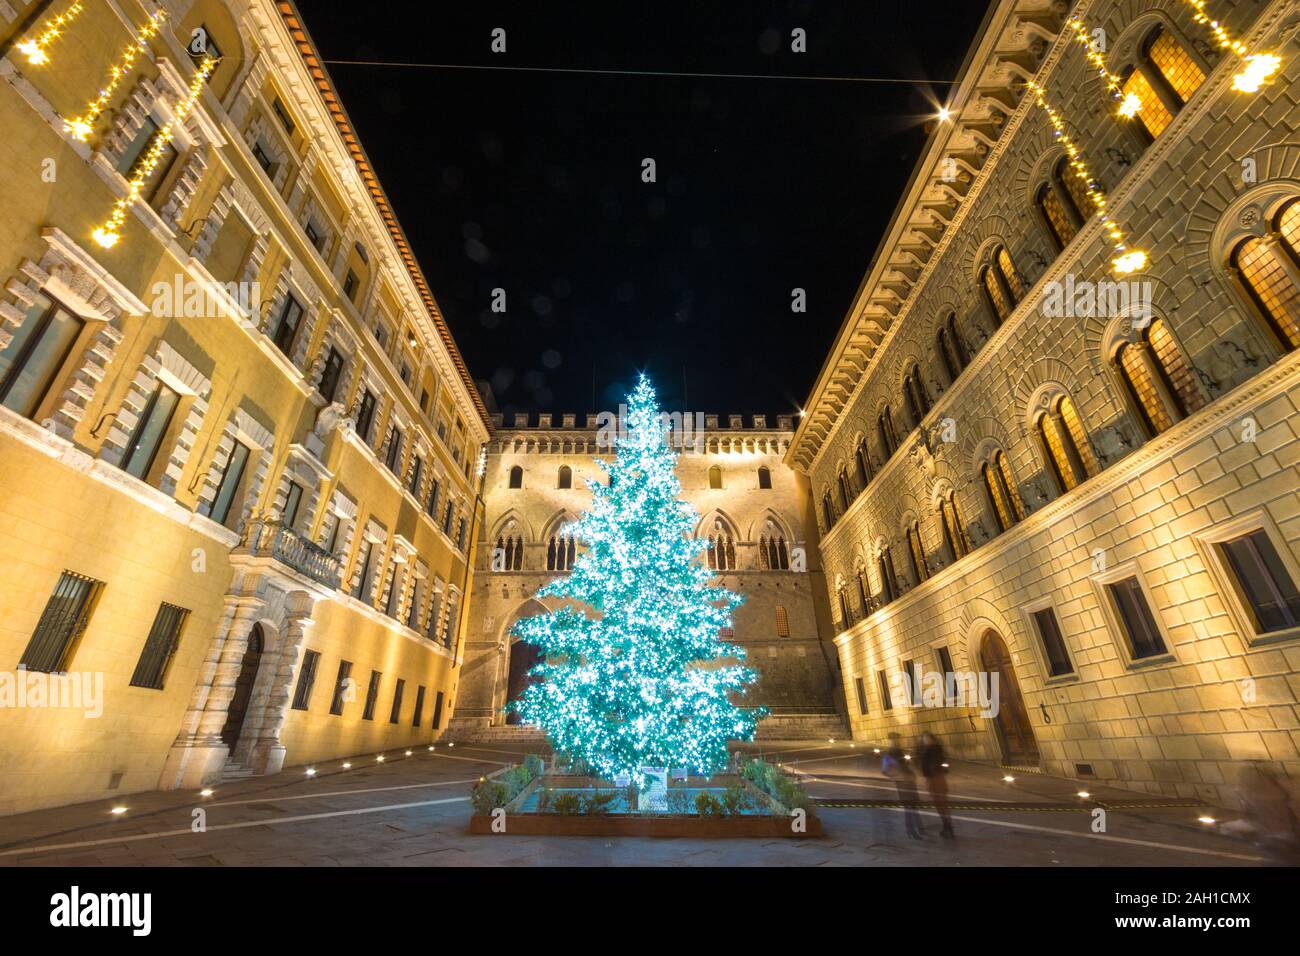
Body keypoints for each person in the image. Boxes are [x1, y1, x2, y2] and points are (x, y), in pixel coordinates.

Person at [883, 733, 923, 839]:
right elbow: (885, 770)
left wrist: (908, 763)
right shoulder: (890, 754)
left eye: (897, 739)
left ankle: (918, 827)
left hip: (909, 782)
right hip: (903, 784)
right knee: (909, 807)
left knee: (913, 805)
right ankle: (911, 829)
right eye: (894, 739)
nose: (896, 741)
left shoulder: (898, 751)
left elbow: (904, 765)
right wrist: (897, 776)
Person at [919, 731, 955, 838]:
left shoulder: (931, 750)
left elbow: (929, 765)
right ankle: (948, 827)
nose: (925, 741)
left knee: (940, 804)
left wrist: (932, 771)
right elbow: (944, 763)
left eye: (926, 739)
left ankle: (947, 827)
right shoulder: (937, 749)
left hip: (935, 779)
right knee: (942, 804)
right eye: (924, 739)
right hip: (938, 778)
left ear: (931, 739)